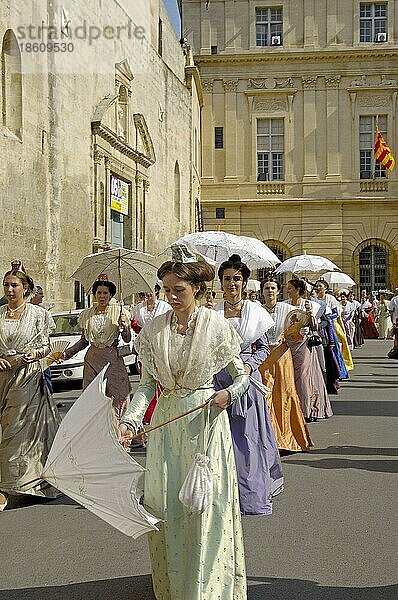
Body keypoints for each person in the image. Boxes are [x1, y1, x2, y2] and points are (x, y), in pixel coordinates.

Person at [118, 247, 249, 599]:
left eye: (180, 290)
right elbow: (146, 386)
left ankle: (208, 590)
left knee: (203, 508)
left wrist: (228, 395)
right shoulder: (154, 330)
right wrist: (130, 423)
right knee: (168, 510)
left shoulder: (216, 326)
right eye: (166, 290)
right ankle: (174, 588)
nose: (172, 296)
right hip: (166, 429)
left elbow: (242, 375)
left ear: (198, 290)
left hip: (205, 427)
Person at [213, 254, 283, 515]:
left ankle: (250, 497)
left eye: (237, 279)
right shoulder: (212, 314)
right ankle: (222, 498)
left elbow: (264, 347)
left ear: (244, 283)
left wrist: (250, 366)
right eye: (227, 279)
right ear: (221, 282)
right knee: (221, 441)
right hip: (218, 381)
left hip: (247, 382)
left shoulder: (255, 312)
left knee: (248, 441)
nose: (232, 283)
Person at [0, 263, 61, 510]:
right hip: (2, 376)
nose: (10, 289)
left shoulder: (39, 315)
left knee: (17, 431)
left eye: (14, 285)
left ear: (25, 288)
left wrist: (35, 353)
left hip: (26, 377)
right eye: (6, 285)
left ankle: (11, 485)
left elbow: (47, 346)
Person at [61, 275, 131, 419]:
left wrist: (124, 327)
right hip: (92, 360)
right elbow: (83, 341)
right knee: (92, 396)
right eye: (99, 293)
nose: (102, 296)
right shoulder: (87, 315)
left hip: (112, 359)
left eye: (105, 293)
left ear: (111, 295)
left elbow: (127, 338)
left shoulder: (119, 312)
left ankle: (119, 431)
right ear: (94, 295)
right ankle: (96, 433)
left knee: (118, 395)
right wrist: (66, 354)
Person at [260, 278, 312, 452]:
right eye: (266, 288)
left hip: (282, 356)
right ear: (262, 292)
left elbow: (301, 328)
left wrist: (305, 323)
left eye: (273, 288)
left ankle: (287, 437)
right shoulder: (256, 310)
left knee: (286, 395)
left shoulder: (288, 309)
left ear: (278, 291)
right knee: (266, 396)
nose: (270, 291)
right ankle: (269, 438)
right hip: (264, 358)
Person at [285, 279, 333, 421]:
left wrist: (310, 315)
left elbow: (316, 326)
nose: (287, 290)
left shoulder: (310, 304)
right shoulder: (285, 305)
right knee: (291, 375)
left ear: (298, 290)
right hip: (288, 344)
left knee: (304, 376)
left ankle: (306, 410)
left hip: (304, 344)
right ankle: (292, 407)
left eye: (290, 288)